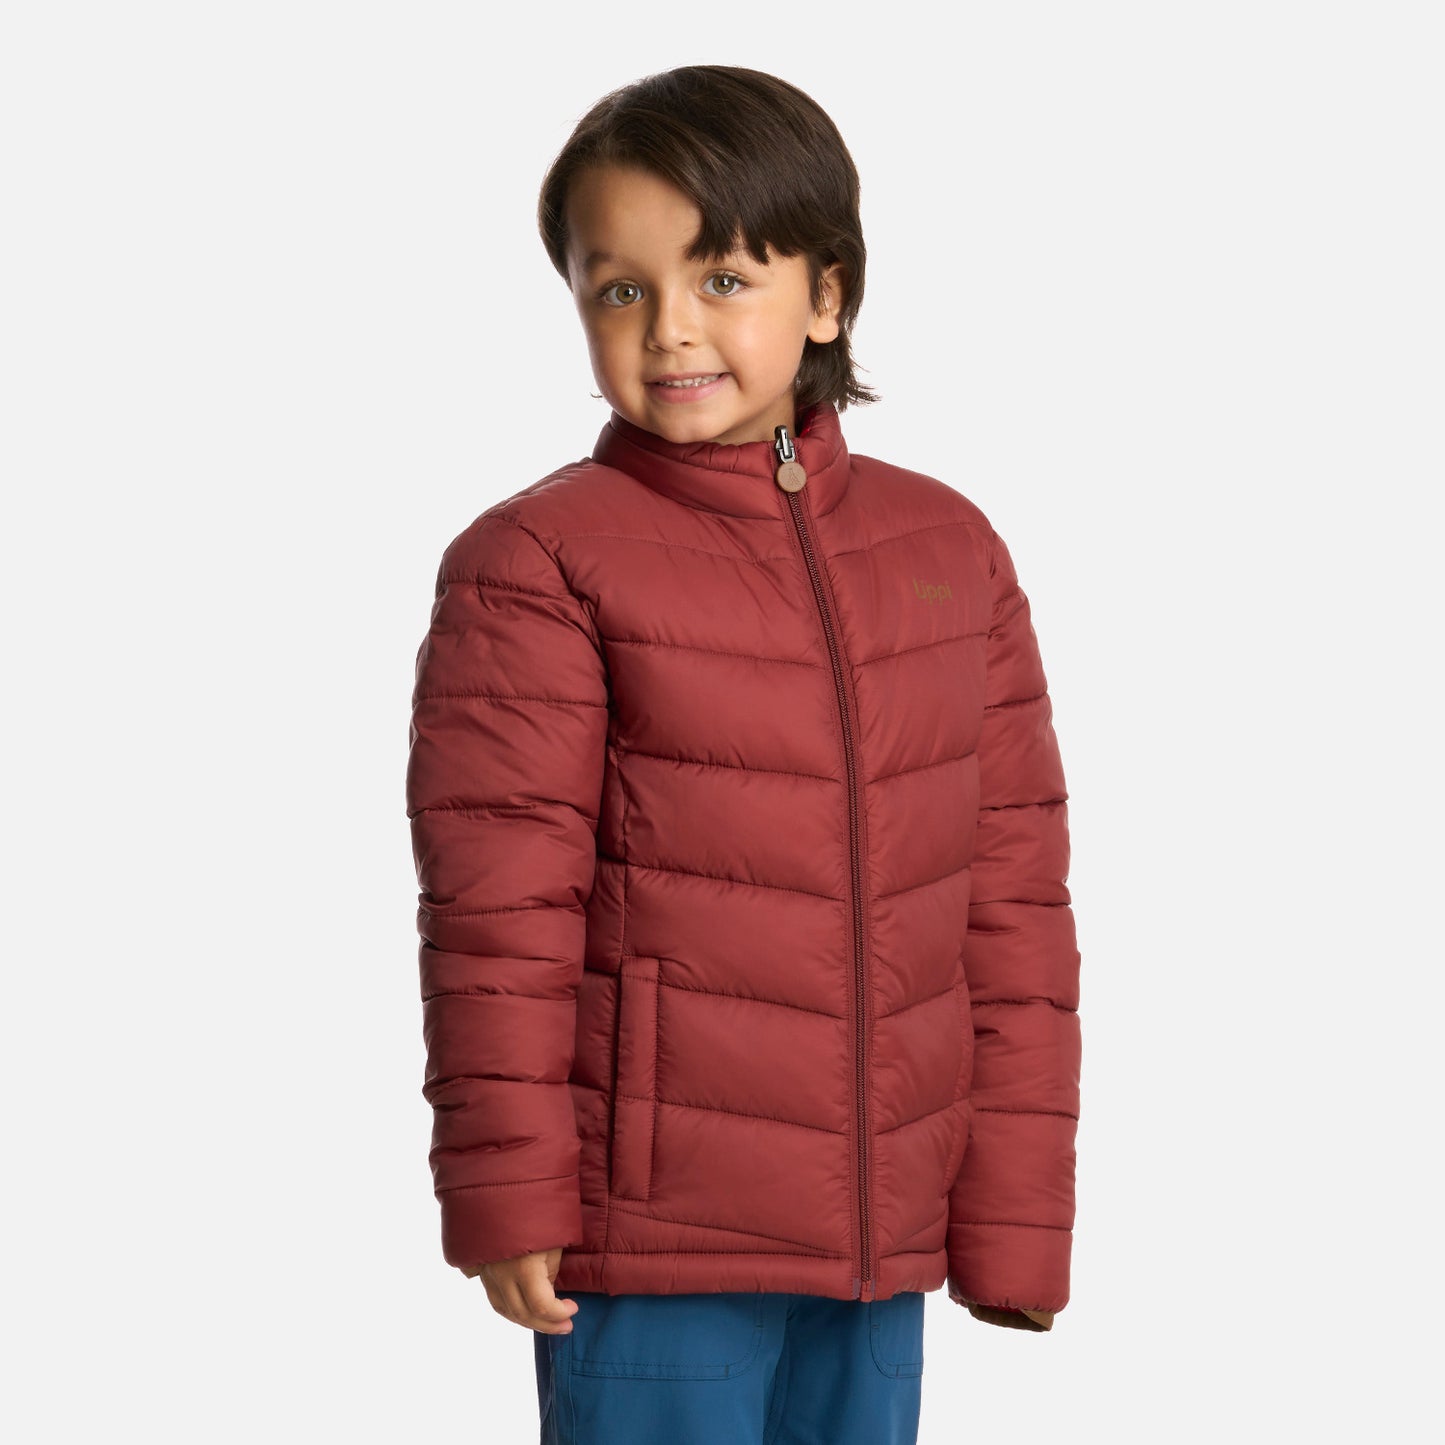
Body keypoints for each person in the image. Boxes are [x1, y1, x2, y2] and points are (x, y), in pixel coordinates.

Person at [405, 64, 1082, 1445]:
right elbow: (498, 915)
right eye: (619, 289)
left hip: (879, 1229)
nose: (668, 328)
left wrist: (1014, 1214)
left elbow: (1010, 905)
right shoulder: (538, 562)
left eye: (721, 277)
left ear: (827, 294)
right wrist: (509, 1189)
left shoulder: (949, 551)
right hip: (652, 1224)